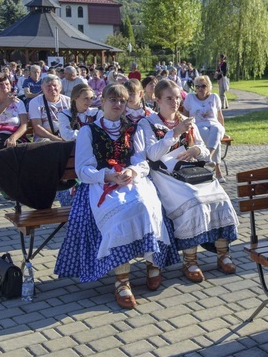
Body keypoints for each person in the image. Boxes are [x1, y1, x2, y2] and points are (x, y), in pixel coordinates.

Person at [54, 83, 179, 309]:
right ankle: (122, 281)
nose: (118, 104)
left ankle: (153, 262)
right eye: (113, 99)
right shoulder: (88, 131)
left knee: (147, 204)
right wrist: (109, 176)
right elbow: (83, 169)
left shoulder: (133, 127)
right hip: (101, 183)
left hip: (131, 178)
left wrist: (132, 171)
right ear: (101, 101)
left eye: (122, 100)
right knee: (120, 214)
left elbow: (141, 159)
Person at [142, 79, 239, 279]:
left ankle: (223, 254)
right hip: (165, 175)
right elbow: (151, 154)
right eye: (169, 98)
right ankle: (190, 261)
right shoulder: (148, 122)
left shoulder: (187, 121)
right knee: (194, 202)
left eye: (177, 97)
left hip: (191, 172)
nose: (174, 102)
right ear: (157, 99)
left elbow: (204, 151)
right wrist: (174, 133)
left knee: (221, 198)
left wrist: (196, 149)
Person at [182, 75, 227, 182]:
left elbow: (220, 116)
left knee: (216, 129)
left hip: (214, 124)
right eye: (197, 86)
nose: (200, 89)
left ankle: (208, 157)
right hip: (198, 126)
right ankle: (218, 170)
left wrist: (224, 132)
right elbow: (185, 115)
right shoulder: (190, 98)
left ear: (208, 87)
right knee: (207, 134)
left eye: (203, 86)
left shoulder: (214, 97)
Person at [29, 75, 71, 142]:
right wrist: (56, 139)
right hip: (44, 137)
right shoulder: (35, 102)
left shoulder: (68, 101)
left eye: (55, 85)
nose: (52, 88)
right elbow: (37, 127)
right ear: (42, 88)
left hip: (66, 135)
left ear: (60, 87)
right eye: (48, 86)